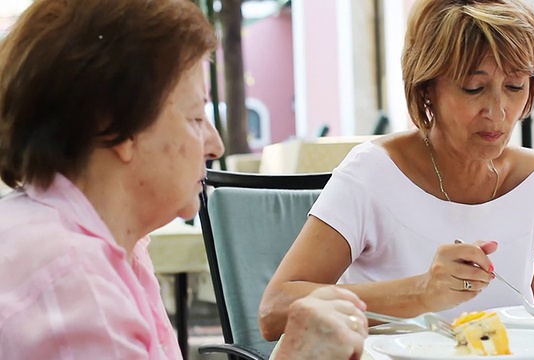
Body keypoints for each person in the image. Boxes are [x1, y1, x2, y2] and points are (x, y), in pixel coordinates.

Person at [0, 0, 366, 359]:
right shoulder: (76, 285)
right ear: (114, 125)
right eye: (195, 117)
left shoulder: (109, 246)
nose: (215, 145)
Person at [259, 0, 534, 341]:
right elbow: (275, 310)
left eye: (515, 86)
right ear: (427, 89)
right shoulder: (372, 174)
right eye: (474, 88)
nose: (498, 111)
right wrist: (421, 291)